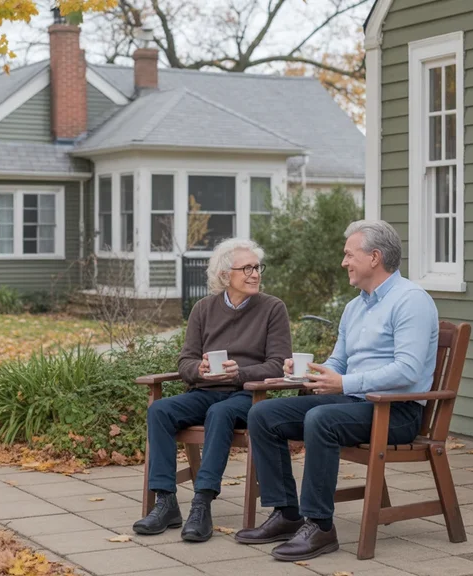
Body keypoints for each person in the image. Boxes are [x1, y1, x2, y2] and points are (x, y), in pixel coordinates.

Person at [234, 219, 439, 562]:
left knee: (321, 419)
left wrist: (343, 384)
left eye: (349, 254)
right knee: (263, 414)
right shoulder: (355, 306)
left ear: (374, 257)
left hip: (398, 412)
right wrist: (307, 376)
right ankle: (287, 513)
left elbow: (408, 371)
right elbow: (339, 362)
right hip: (354, 404)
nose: (343, 262)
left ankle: (320, 526)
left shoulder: (411, 301)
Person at [134, 237, 291, 542]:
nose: (255, 274)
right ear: (224, 275)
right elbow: (185, 360)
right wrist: (199, 369)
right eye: (246, 268)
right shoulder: (204, 308)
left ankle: (201, 503)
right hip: (203, 392)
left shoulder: (273, 308)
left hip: (247, 396)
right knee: (160, 410)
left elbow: (278, 364)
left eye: (257, 267)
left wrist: (241, 372)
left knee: (220, 413)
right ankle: (165, 502)